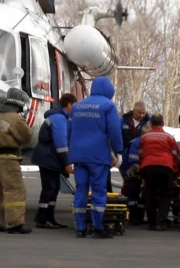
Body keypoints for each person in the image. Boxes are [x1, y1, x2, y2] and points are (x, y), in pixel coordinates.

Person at [68, 76, 123, 239]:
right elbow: (114, 130)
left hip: (79, 156)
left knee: (81, 190)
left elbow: (69, 131)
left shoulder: (77, 106)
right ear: (108, 90)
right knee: (99, 191)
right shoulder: (108, 106)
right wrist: (118, 150)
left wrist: (71, 151)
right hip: (98, 156)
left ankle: (80, 228)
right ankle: (98, 228)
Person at [0, 87, 34, 234]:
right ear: (19, 104)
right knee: (16, 190)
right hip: (9, 159)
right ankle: (15, 224)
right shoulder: (16, 118)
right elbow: (27, 136)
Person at [31, 93, 78, 229]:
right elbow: (61, 144)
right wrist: (67, 163)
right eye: (74, 105)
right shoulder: (59, 118)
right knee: (49, 188)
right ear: (69, 104)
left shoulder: (60, 117)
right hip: (48, 158)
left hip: (50, 158)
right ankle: (42, 219)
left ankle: (49, 218)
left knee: (54, 188)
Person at [129, 114, 179, 231]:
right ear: (162, 123)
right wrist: (174, 175)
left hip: (148, 167)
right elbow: (174, 157)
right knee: (166, 195)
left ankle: (152, 222)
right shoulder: (170, 138)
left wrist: (142, 171)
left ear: (151, 124)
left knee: (149, 194)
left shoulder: (145, 137)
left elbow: (141, 155)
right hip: (165, 167)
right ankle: (161, 222)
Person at [109, 101, 151, 194]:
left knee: (138, 180)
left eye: (144, 113)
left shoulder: (149, 122)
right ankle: (128, 197)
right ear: (134, 111)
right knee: (128, 179)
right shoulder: (123, 121)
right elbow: (116, 137)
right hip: (125, 156)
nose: (142, 115)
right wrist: (117, 153)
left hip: (140, 156)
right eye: (140, 112)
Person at [120, 122, 152, 225]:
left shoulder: (143, 141)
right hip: (130, 169)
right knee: (133, 190)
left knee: (142, 192)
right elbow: (133, 161)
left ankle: (140, 215)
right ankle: (133, 216)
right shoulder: (137, 142)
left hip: (139, 168)